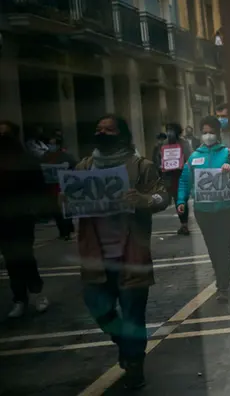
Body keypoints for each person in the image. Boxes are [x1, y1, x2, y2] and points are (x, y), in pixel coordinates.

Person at [72, 114, 168, 388]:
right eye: (98, 129)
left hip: (131, 256)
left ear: (123, 135)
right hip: (95, 256)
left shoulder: (142, 167)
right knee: (99, 308)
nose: (102, 133)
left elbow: (163, 197)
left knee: (134, 316)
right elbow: (68, 200)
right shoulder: (84, 167)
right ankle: (126, 343)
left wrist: (145, 199)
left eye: (109, 130)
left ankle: (135, 368)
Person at [178, 116, 230, 301]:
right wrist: (181, 200)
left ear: (218, 133)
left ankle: (223, 285)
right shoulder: (195, 157)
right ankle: (220, 275)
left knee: (223, 245)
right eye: (204, 132)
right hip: (203, 211)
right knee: (212, 247)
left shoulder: (228, 153)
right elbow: (185, 180)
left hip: (226, 209)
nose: (208, 136)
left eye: (211, 132)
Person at [0, 120, 48, 318]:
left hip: (22, 217)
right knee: (10, 259)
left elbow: (39, 188)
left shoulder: (26, 161)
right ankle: (19, 298)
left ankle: (37, 293)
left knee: (25, 256)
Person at [159, 123, 194, 235]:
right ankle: (182, 222)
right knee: (176, 199)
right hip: (170, 177)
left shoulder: (184, 143)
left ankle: (184, 225)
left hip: (182, 174)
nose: (170, 132)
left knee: (182, 199)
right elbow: (160, 158)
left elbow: (190, 158)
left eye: (172, 130)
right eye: (168, 129)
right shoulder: (164, 144)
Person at [42, 135, 78, 240]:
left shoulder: (66, 156)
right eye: (50, 143)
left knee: (64, 210)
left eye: (54, 144)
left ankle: (68, 231)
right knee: (56, 211)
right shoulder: (46, 156)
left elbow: (74, 167)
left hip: (62, 187)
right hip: (51, 187)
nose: (52, 146)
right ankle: (62, 232)